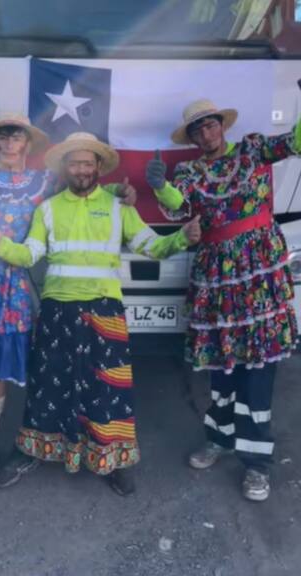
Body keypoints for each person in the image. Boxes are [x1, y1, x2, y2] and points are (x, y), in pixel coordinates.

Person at [0, 114, 137, 480]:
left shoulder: (43, 183)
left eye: (15, 136)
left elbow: (82, 188)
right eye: (2, 137)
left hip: (6, 281)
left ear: (27, 143)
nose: (8, 143)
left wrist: (119, 192)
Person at [0, 132, 201, 495]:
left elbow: (152, 246)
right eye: (75, 163)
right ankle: (30, 451)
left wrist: (182, 238)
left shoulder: (119, 206)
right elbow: (29, 254)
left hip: (104, 309)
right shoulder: (48, 209)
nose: (81, 169)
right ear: (65, 168)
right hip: (57, 309)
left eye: (87, 163)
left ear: (98, 167)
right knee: (47, 385)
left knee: (108, 388)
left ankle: (113, 459)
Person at [145, 98, 301, 501]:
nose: (206, 133)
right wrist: (160, 185)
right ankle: (219, 438)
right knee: (222, 362)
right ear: (192, 138)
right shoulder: (190, 171)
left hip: (259, 271)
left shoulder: (253, 149)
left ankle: (256, 463)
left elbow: (295, 143)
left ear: (222, 125)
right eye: (197, 130)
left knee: (259, 363)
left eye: (210, 124)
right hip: (216, 274)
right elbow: (178, 205)